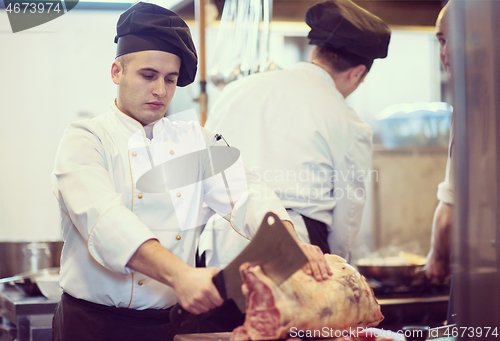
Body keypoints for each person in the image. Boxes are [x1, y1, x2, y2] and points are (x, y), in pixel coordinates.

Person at [50, 3, 330, 341]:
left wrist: (289, 238)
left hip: (170, 325)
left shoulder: (194, 143)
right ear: (116, 72)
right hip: (93, 326)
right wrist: (181, 275)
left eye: (170, 80)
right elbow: (105, 221)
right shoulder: (85, 139)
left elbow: (248, 192)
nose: (161, 91)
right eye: (148, 75)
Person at [202, 0, 391, 262]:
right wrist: (333, 264)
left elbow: (203, 169)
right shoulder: (351, 123)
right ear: (357, 73)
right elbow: (347, 218)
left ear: (315, 53)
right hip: (294, 249)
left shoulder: (235, 90)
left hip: (218, 243)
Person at [424, 1, 456, 323]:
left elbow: (450, 211)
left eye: (453, 39)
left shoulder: (475, 103)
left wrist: (438, 257)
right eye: (441, 41)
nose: (445, 53)